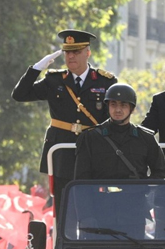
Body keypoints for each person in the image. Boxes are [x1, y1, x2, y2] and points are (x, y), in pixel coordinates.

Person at [12, 29, 117, 213]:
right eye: (68, 52)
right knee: (62, 209)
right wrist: (36, 68)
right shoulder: (53, 80)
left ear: (87, 52)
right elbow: (20, 95)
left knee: (92, 210)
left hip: (92, 152)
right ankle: (62, 242)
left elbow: (113, 119)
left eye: (76, 51)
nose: (71, 56)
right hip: (61, 153)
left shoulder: (105, 82)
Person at [74, 83, 165, 180]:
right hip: (101, 194)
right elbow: (81, 178)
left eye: (123, 105)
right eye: (113, 104)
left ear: (131, 109)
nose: (118, 110)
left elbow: (161, 172)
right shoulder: (90, 138)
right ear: (108, 106)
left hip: (135, 194)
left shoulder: (145, 138)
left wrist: (146, 189)